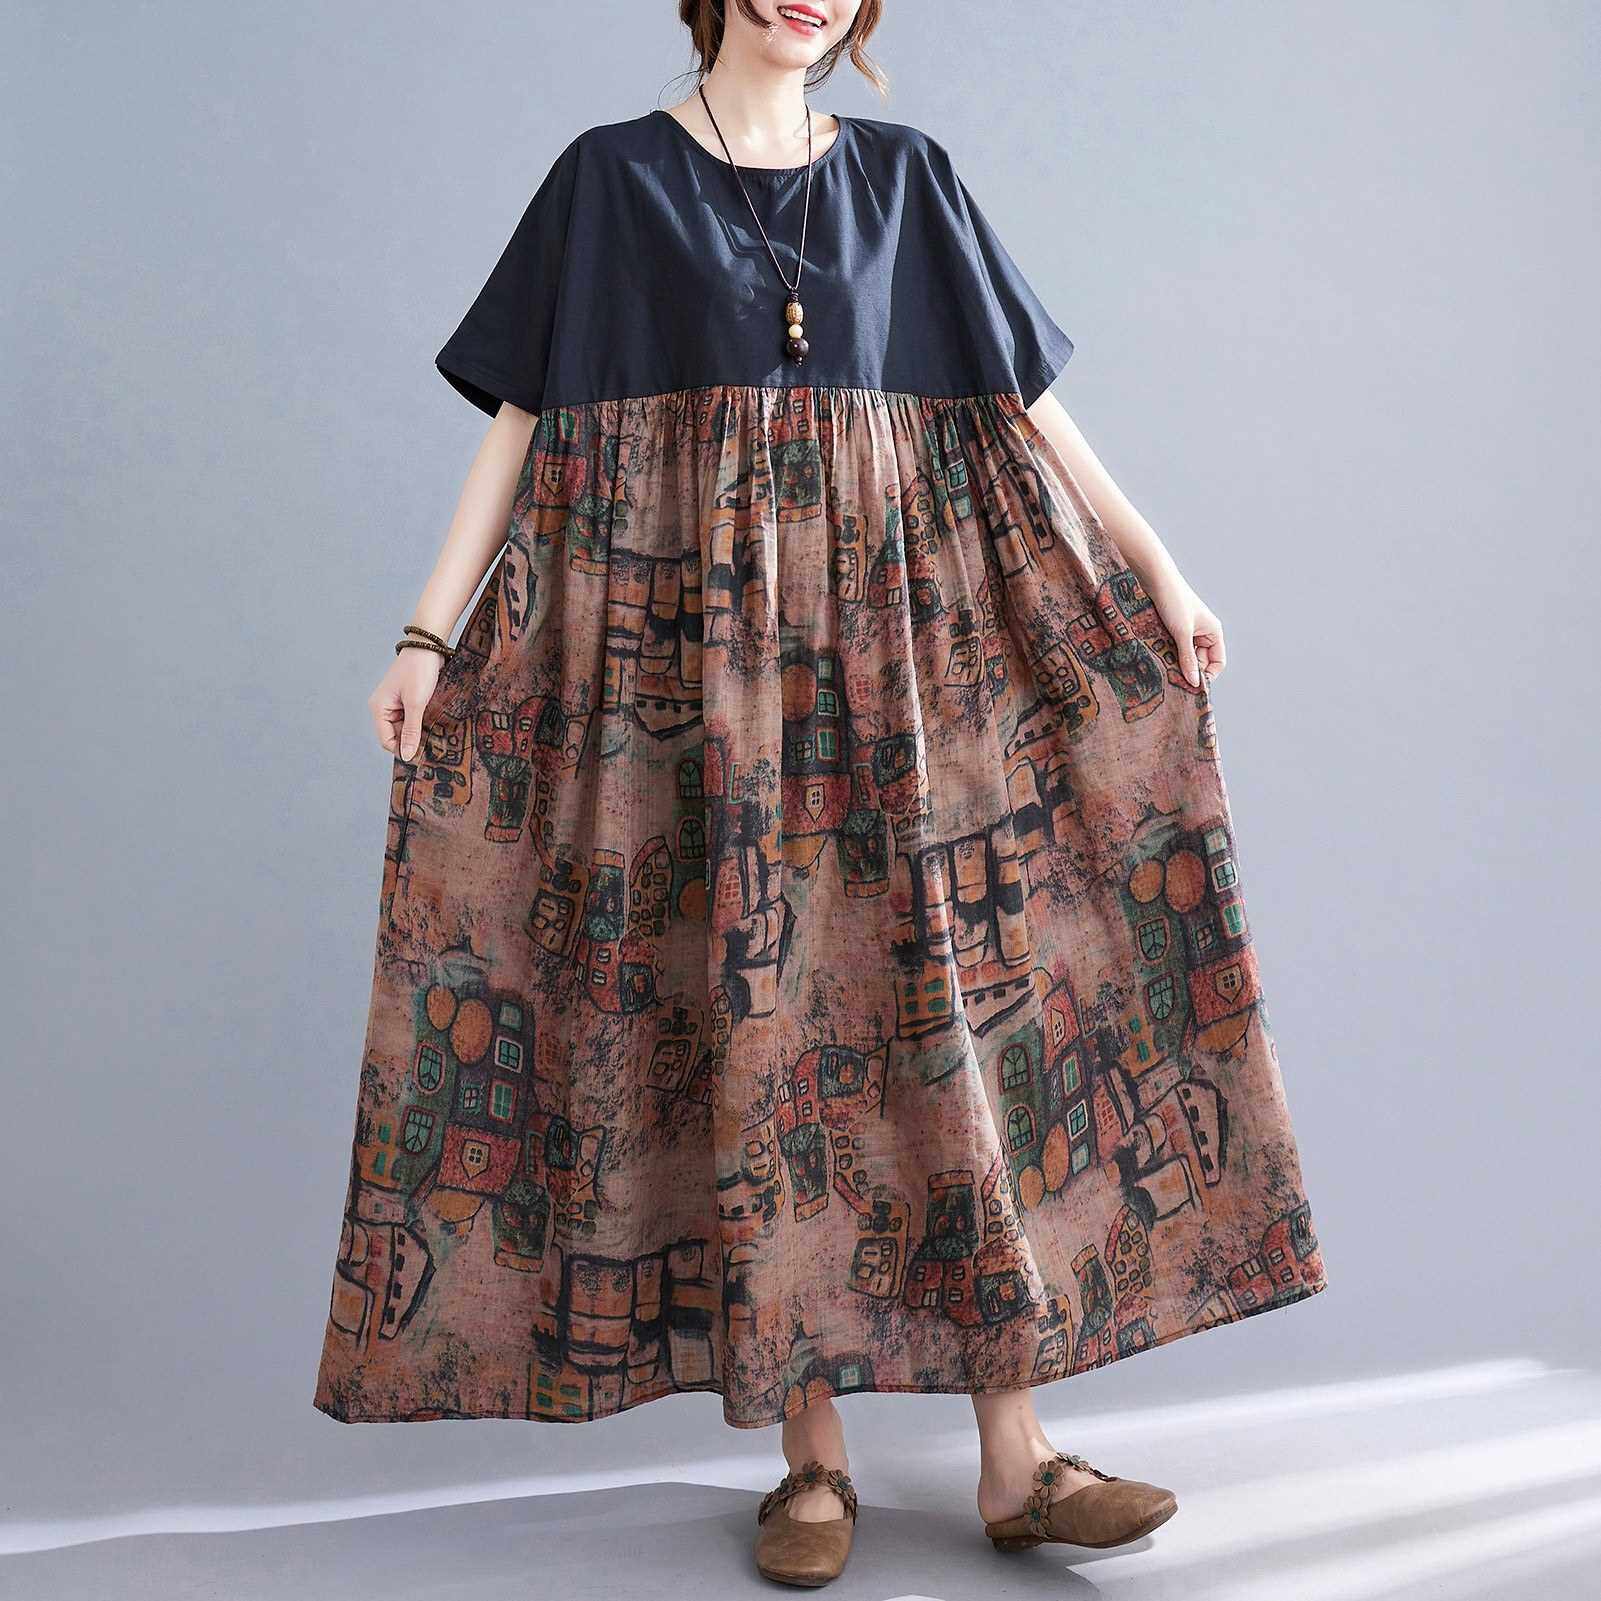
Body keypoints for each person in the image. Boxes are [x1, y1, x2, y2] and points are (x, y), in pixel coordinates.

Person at [312, 0, 1329, 1586]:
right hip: (696, 677)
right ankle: (809, 1460)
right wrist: (426, 634)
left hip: (900, 664)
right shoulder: (610, 181)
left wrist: (1154, 565)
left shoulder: (905, 178)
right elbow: (522, 424)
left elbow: (1023, 402)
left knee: (950, 1014)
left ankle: (1018, 1456)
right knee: (759, 1027)